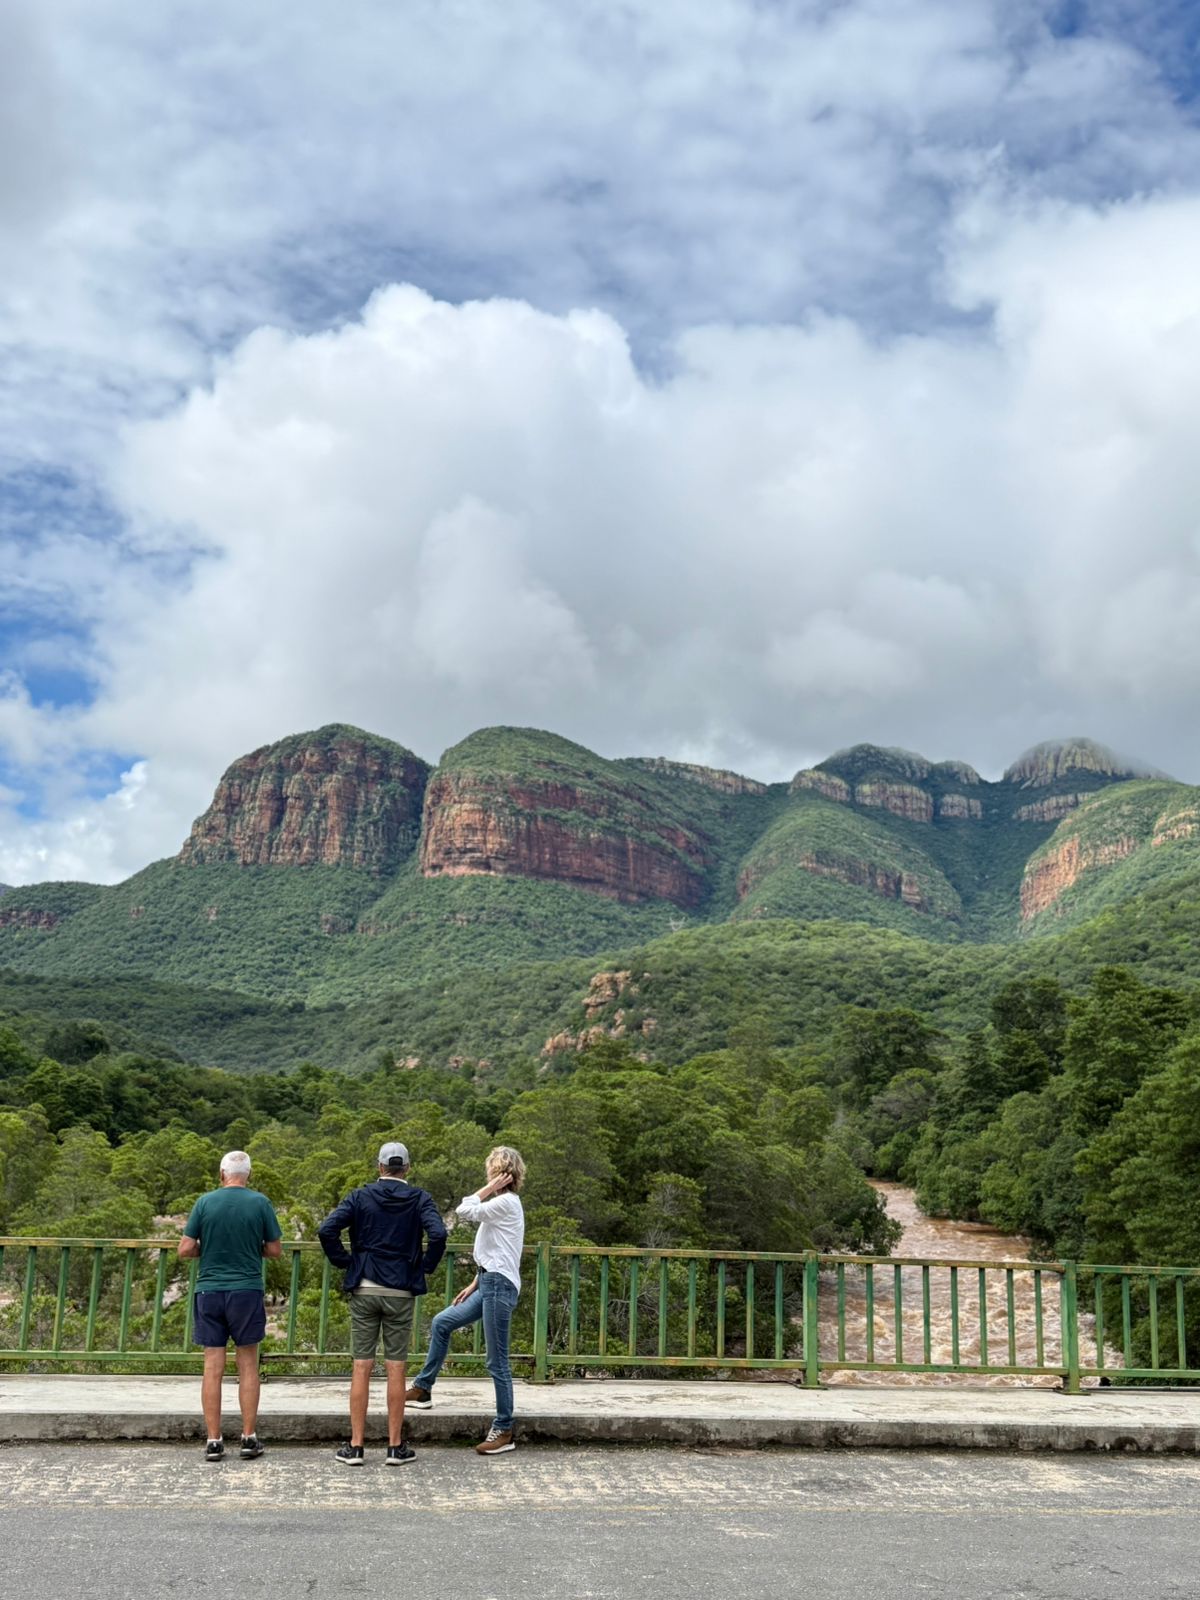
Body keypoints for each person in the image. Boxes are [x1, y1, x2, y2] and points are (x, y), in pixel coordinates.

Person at [318, 1140, 447, 1466]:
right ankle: (394, 1447)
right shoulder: (420, 1198)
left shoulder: (360, 1196)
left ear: (379, 1167)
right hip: (400, 1290)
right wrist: (425, 1266)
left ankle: (356, 1447)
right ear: (407, 1168)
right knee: (396, 1367)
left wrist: (346, 1261)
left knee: (361, 1366)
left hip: (365, 1287)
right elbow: (438, 1234)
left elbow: (327, 1230)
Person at [406, 1145, 526, 1456]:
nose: (489, 1175)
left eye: (493, 1172)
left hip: (498, 1287)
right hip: (488, 1282)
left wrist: (487, 1189)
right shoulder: (502, 1205)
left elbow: (464, 1210)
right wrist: (476, 1282)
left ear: (502, 1176)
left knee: (497, 1361)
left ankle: (504, 1429)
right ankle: (423, 1389)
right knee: (442, 1323)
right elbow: (499, 1250)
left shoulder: (506, 1203)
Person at [178, 1149, 283, 1463]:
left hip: (209, 1290)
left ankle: (214, 1440)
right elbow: (274, 1250)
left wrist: (208, 1248)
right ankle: (248, 1438)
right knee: (248, 1364)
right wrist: (250, 1248)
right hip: (246, 1290)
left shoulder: (204, 1202)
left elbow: (185, 1249)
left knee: (213, 1368)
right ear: (248, 1175)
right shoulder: (260, 1203)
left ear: (222, 1174)